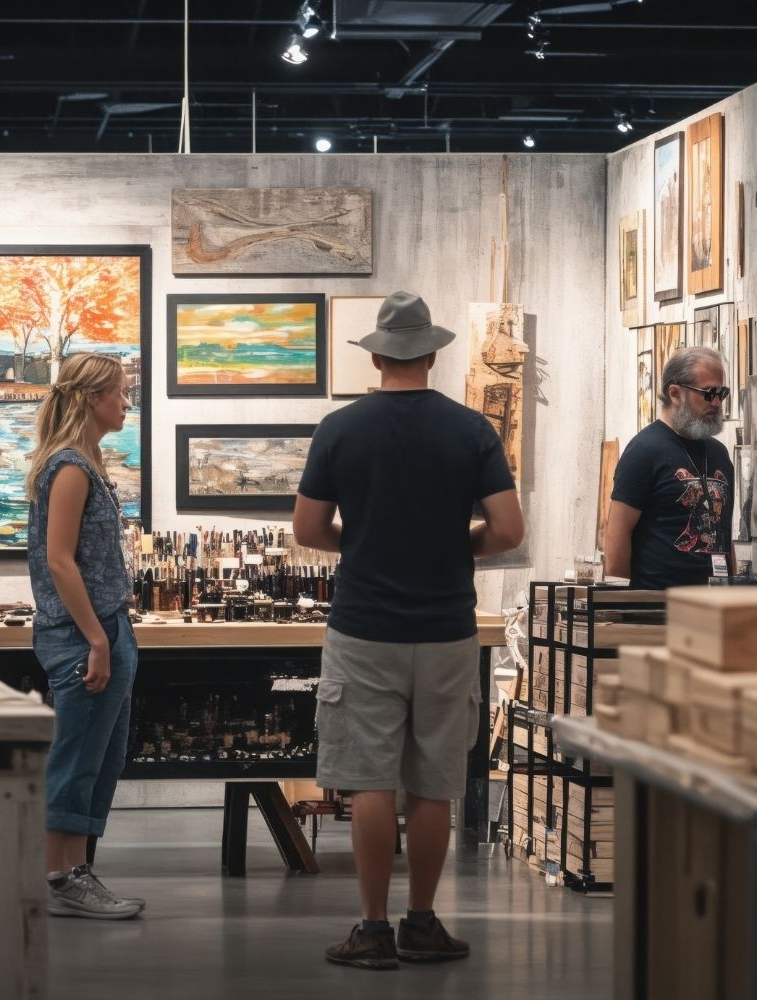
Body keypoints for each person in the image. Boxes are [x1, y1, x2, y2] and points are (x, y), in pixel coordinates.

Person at [293, 290, 524, 971]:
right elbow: (509, 531)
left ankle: (371, 930)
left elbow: (308, 530)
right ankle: (422, 921)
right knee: (434, 783)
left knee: (370, 780)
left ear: (375, 354)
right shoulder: (472, 431)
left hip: (365, 627)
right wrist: (453, 549)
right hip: (448, 627)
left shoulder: (341, 428)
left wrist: (363, 542)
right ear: (431, 353)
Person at [25, 352, 144, 920]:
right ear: (94, 399)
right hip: (81, 637)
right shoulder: (69, 466)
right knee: (75, 760)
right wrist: (97, 640)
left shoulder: (85, 461)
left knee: (100, 759)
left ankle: (75, 872)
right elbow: (60, 561)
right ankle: (59, 875)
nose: (126, 402)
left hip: (103, 629)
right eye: (120, 393)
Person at [605, 346, 734, 588]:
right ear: (675, 393)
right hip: (658, 610)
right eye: (707, 393)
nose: (716, 402)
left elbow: (724, 533)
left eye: (721, 393)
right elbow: (617, 535)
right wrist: (619, 608)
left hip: (715, 609)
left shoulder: (719, 453)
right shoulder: (644, 450)